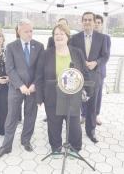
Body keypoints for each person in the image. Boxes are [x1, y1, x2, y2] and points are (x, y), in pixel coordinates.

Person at [0, 19, 44, 159]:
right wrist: (21, 86)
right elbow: (10, 69)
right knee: (12, 116)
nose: (29, 33)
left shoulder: (39, 46)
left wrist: (33, 85)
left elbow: (40, 69)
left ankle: (25, 140)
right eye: (26, 31)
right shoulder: (11, 47)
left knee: (30, 115)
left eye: (31, 31)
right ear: (19, 31)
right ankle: (6, 146)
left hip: (32, 88)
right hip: (16, 88)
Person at [36, 24, 92, 153]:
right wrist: (39, 97)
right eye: (56, 34)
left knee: (74, 126)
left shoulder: (77, 52)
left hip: (73, 97)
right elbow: (39, 76)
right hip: (52, 95)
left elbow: (85, 72)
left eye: (62, 33)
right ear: (53, 37)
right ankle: (56, 148)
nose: (59, 36)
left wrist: (88, 92)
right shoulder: (46, 54)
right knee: (54, 125)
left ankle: (74, 148)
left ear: (67, 36)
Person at [70, 12, 108, 143]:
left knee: (92, 105)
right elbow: (71, 55)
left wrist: (96, 63)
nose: (87, 22)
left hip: (94, 77)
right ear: (82, 22)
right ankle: (74, 131)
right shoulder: (75, 38)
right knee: (77, 104)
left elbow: (105, 56)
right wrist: (80, 63)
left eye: (89, 20)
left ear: (93, 22)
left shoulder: (102, 38)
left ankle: (91, 131)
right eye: (84, 20)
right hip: (78, 77)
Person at [93, 14, 111, 125]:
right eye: (95, 22)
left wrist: (96, 64)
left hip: (99, 71)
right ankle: (84, 115)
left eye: (99, 23)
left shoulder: (106, 38)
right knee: (84, 94)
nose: (96, 24)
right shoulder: (86, 37)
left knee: (98, 95)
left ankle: (95, 115)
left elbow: (106, 56)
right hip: (86, 72)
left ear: (101, 25)